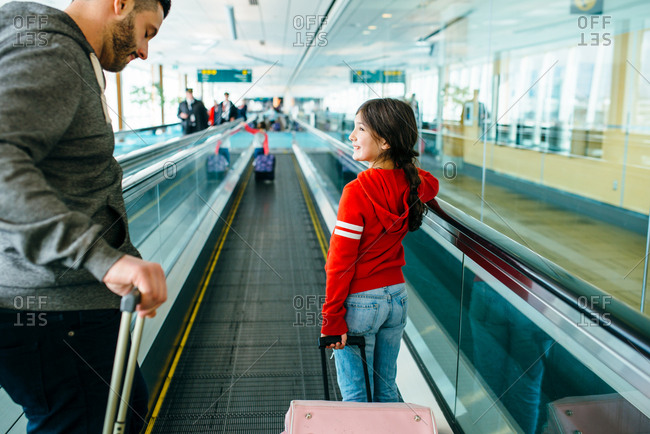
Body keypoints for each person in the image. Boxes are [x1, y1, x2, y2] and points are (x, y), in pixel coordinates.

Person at [0, 0, 170, 432]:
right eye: (147, 32)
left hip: (58, 306)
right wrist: (102, 257)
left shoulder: (53, 48)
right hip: (55, 315)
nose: (145, 52)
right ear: (121, 4)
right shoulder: (54, 53)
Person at [320, 98, 439, 402]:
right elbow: (433, 183)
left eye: (360, 129)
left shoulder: (356, 192)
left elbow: (339, 263)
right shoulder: (411, 183)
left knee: (356, 396)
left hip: (361, 304)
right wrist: (402, 166)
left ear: (385, 141)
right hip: (396, 298)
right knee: (385, 387)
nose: (351, 136)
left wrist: (331, 319)